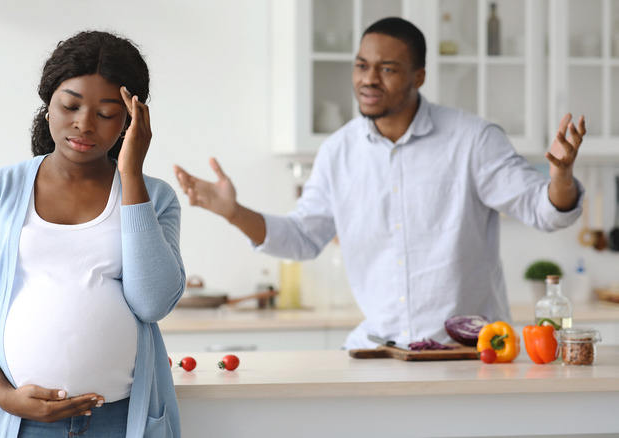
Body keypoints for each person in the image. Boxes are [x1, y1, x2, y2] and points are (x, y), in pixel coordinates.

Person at [173, 17, 586, 350]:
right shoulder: (339, 152)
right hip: (380, 350)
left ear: (418, 76)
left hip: (472, 352)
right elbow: (301, 238)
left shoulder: (471, 140)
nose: (369, 79)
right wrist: (232, 212)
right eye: (362, 65)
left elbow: (545, 210)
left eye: (387, 69)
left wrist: (561, 176)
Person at [0, 30, 185, 437]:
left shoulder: (155, 197)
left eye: (105, 114)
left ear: (130, 121)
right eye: (70, 105)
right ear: (48, 106)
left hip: (121, 423)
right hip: (21, 423)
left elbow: (152, 303)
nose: (84, 124)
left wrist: (131, 175)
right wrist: (3, 395)